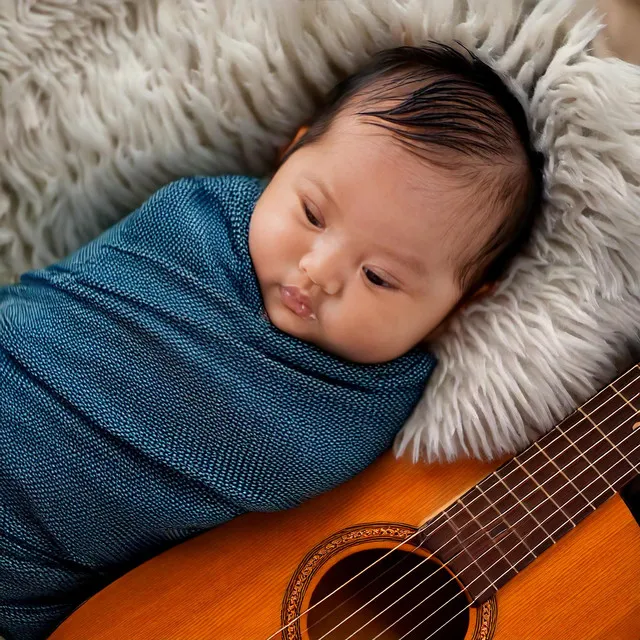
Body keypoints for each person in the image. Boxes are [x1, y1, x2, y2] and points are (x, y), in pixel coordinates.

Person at [0, 43, 543, 639]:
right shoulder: (194, 220)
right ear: (289, 151)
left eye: (379, 277)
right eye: (312, 213)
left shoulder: (366, 408)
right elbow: (61, 306)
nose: (319, 270)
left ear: (462, 303)